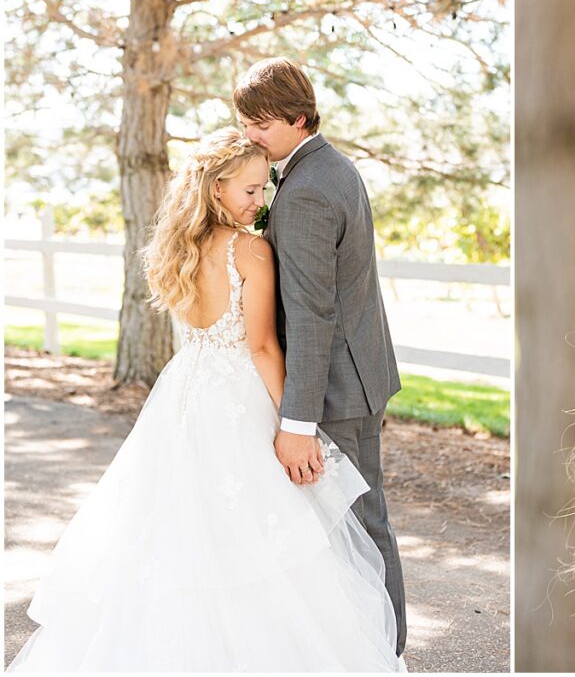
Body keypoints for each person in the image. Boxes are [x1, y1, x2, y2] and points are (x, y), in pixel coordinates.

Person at [9, 129, 404, 671]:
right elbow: (263, 346)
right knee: (264, 535)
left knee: (179, 526)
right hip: (239, 392)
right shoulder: (249, 251)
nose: (259, 202)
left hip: (186, 393)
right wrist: (297, 424)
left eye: (262, 189)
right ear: (216, 189)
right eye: (248, 190)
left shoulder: (178, 248)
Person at [232, 57, 406, 654]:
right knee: (359, 519)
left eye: (261, 124)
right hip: (358, 374)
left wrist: (296, 423)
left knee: (356, 524)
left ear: (298, 117)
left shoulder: (305, 192)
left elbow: (311, 315)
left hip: (334, 387)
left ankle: (385, 651)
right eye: (246, 122)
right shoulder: (333, 167)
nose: (250, 134)